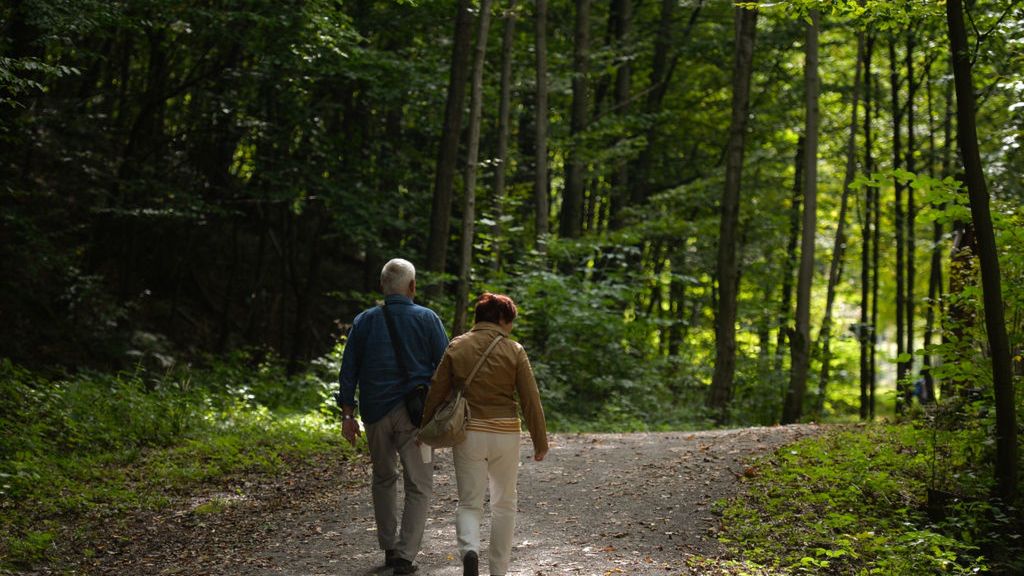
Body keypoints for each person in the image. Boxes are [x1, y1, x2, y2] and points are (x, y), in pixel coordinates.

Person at [422, 293, 548, 576]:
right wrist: (540, 441)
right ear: (502, 319)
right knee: (504, 503)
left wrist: (425, 427)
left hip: (469, 433)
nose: (511, 327)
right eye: (510, 321)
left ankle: (469, 549)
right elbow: (530, 399)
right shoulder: (514, 350)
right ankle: (498, 571)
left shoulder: (457, 346)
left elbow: (437, 390)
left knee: (469, 502)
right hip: (506, 433)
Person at [337, 258, 449, 575]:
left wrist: (348, 414)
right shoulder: (428, 319)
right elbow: (445, 368)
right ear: (412, 286)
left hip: (374, 416)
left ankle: (388, 547)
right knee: (420, 485)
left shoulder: (364, 321)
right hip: (417, 418)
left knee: (383, 478)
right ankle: (404, 554)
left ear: (382, 287)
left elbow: (348, 371)